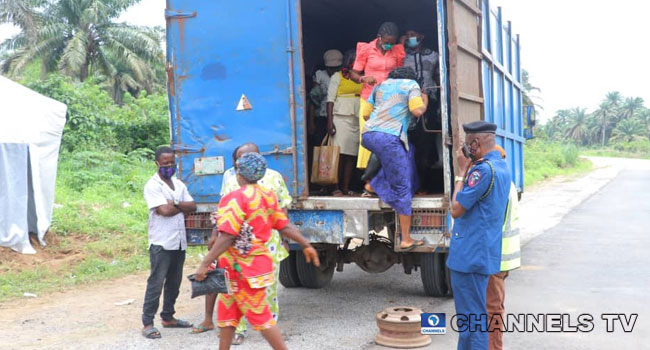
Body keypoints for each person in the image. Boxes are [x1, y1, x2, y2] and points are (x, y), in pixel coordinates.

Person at [194, 152, 320, 350]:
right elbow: (283, 225)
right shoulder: (267, 196)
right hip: (251, 267)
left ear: (239, 173)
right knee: (228, 314)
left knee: (261, 317)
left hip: (242, 270)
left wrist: (204, 264)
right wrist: (305, 244)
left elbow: (227, 236)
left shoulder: (234, 198)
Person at [447, 121, 511, 350]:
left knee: (473, 323)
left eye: (467, 144)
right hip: (482, 255)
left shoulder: (481, 171)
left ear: (475, 143)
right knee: (471, 322)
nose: (465, 149)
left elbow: (456, 209)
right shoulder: (502, 167)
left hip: (469, 258)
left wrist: (461, 173)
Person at [360, 67, 428, 250]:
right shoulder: (411, 85)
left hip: (368, 134)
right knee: (402, 188)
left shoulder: (381, 85)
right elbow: (417, 111)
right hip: (389, 137)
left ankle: (372, 185)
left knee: (404, 155)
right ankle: (406, 239)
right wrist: (425, 100)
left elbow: (366, 114)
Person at [141, 146, 197, 339]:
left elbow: (193, 206)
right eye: (165, 163)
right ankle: (147, 323)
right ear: (157, 163)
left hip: (179, 241)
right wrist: (180, 206)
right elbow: (163, 212)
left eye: (172, 163)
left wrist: (173, 204)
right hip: (161, 242)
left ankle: (168, 317)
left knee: (174, 282)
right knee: (156, 283)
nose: (170, 166)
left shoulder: (179, 184)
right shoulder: (153, 185)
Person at [350, 22, 406, 169]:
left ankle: (382, 175)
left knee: (388, 136)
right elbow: (353, 74)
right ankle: (367, 176)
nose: (389, 45)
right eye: (387, 42)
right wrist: (363, 78)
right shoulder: (366, 49)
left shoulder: (397, 50)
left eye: (392, 43)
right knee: (369, 135)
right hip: (369, 98)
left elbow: (400, 72)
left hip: (390, 100)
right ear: (379, 37)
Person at [486, 145, 521, 350]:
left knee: (492, 309)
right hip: (502, 258)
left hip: (494, 257)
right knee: (494, 306)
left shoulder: (497, 183)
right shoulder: (508, 182)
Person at [401, 28, 443, 191]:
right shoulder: (402, 55)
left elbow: (441, 78)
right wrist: (400, 44)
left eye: (414, 34)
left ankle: (423, 186)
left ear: (421, 36)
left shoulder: (433, 55)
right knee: (406, 144)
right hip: (406, 103)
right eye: (408, 35)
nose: (411, 38)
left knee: (426, 144)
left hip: (429, 102)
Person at [326, 50, 363, 196]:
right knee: (339, 154)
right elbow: (330, 100)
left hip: (357, 118)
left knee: (351, 155)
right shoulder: (338, 76)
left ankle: (346, 187)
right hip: (340, 118)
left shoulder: (363, 78)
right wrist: (329, 122)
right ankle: (335, 187)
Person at [308, 49, 344, 183]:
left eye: (335, 68)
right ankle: (320, 180)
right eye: (330, 68)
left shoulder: (343, 76)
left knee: (335, 150)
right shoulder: (319, 75)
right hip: (321, 117)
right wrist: (311, 122)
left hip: (337, 118)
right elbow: (313, 99)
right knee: (320, 149)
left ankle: (332, 180)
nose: (332, 70)